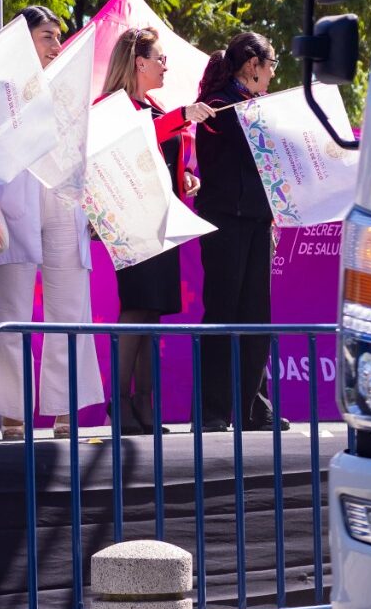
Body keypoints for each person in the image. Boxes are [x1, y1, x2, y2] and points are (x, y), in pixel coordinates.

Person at [0, 7, 100, 438]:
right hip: (16, 197)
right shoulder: (0, 88)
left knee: (69, 305)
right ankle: (13, 414)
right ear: (23, 40)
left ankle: (65, 412)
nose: (56, 46)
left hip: (63, 197)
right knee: (12, 309)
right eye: (47, 37)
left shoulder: (69, 85)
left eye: (58, 37)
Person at [95, 26, 213, 432]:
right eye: (159, 58)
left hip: (163, 221)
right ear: (138, 62)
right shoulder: (112, 106)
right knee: (135, 307)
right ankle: (121, 402)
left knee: (153, 312)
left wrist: (186, 181)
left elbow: (164, 161)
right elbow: (135, 141)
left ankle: (145, 405)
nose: (166, 65)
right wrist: (183, 116)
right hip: (131, 223)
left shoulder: (157, 107)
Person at [192, 32, 284, 433]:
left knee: (255, 315)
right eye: (271, 64)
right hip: (224, 220)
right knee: (222, 312)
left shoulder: (255, 107)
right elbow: (248, 143)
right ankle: (212, 411)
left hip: (257, 221)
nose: (273, 73)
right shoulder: (216, 107)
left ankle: (253, 407)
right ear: (252, 65)